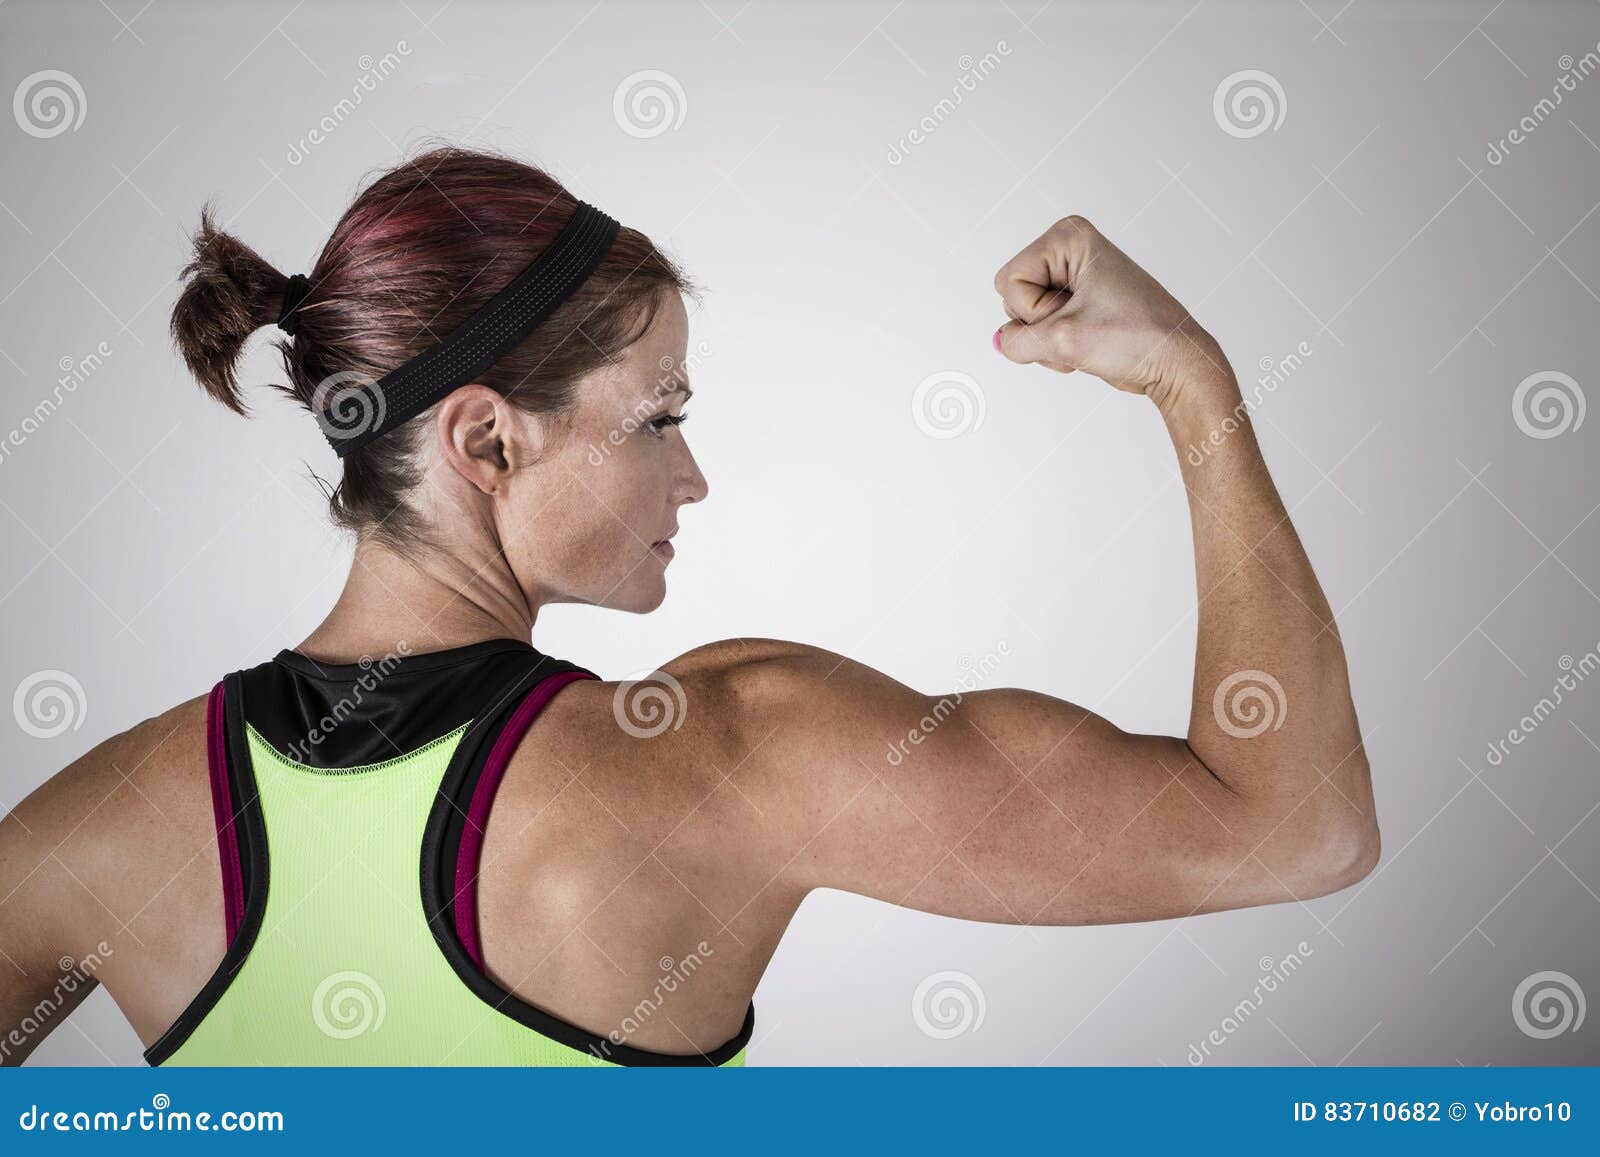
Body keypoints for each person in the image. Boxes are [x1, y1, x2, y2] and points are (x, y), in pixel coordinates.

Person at [0, 147, 1377, 1067]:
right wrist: (1194, 382)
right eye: (659, 417)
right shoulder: (736, 751)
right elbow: (1289, 827)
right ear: (486, 443)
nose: (695, 473)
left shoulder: (95, 827)